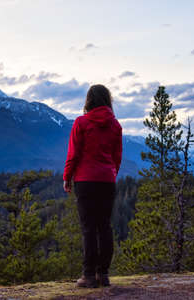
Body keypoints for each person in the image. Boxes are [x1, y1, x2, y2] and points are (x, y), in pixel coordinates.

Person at [63, 84, 122, 288]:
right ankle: (103, 274)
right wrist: (110, 175)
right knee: (104, 226)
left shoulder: (81, 123)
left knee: (89, 228)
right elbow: (117, 158)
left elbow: (73, 154)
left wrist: (67, 177)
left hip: (85, 181)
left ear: (89, 100)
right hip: (107, 181)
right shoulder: (115, 126)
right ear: (107, 100)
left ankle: (88, 276)